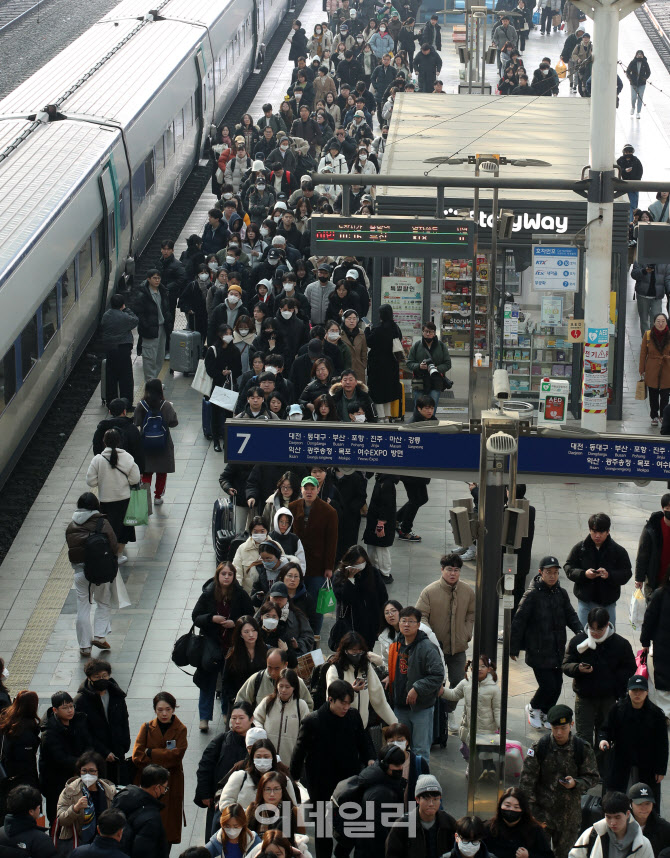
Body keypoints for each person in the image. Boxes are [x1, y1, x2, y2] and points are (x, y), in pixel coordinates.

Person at [290, 679, 374, 858]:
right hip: (321, 784)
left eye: (349, 703)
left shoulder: (353, 716)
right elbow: (299, 751)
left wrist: (370, 760)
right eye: (342, 703)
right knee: (323, 832)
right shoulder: (313, 721)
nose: (346, 707)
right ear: (330, 699)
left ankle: (341, 853)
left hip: (349, 782)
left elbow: (364, 741)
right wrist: (294, 777)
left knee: (352, 826)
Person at [510, 556, 582, 729]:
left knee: (557, 687)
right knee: (547, 685)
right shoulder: (532, 595)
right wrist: (513, 647)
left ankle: (545, 712)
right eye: (549, 572)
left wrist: (580, 631)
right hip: (538, 650)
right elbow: (518, 621)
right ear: (541, 572)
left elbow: (570, 615)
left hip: (557, 650)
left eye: (555, 573)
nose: (552, 576)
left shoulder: (561, 593)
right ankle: (534, 707)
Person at [519, 704, 599, 858]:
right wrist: (530, 814)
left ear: (571, 725)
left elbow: (593, 777)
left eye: (563, 728)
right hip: (542, 815)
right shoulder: (540, 748)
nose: (559, 732)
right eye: (555, 728)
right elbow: (526, 784)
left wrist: (576, 783)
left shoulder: (582, 748)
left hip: (569, 818)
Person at [562, 608, 635, 772]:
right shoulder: (578, 641)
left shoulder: (620, 644)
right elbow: (566, 665)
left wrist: (612, 679)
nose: (594, 633)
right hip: (584, 696)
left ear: (607, 625)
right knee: (583, 735)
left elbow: (630, 667)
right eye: (592, 629)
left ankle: (601, 769)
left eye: (599, 630)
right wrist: (577, 668)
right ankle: (585, 769)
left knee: (604, 736)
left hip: (608, 698)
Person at [416, 554, 475, 735]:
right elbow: (420, 615)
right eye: (449, 569)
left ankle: (449, 713)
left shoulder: (467, 591)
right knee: (436, 683)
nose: (453, 573)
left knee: (458, 681)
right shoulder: (429, 591)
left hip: (458, 648)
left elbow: (471, 614)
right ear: (442, 570)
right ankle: (436, 715)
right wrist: (429, 636)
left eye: (456, 570)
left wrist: (466, 633)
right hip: (435, 649)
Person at [192, 563, 253, 732]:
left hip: (232, 646)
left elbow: (250, 614)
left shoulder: (240, 594)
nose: (226, 577)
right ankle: (204, 717)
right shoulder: (209, 593)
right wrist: (212, 618)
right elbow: (196, 616)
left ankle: (227, 712)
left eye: (230, 574)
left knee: (228, 682)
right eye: (223, 574)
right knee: (207, 682)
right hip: (211, 645)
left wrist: (236, 623)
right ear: (218, 576)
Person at [387, 607, 445, 763]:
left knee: (420, 750)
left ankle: (420, 782)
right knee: (399, 748)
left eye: (411, 621)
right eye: (404, 621)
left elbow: (438, 675)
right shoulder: (396, 644)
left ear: (418, 625)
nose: (406, 624)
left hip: (421, 708)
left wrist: (417, 688)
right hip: (400, 706)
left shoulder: (427, 648)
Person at [599, 675, 668, 804]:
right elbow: (606, 729)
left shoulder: (656, 714)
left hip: (647, 762)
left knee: (645, 799)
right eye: (634, 690)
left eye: (641, 690)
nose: (637, 694)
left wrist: (660, 769)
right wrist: (603, 739)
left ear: (647, 692)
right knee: (616, 797)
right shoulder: (618, 709)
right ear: (628, 691)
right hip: (621, 759)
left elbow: (662, 744)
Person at [65, 493, 118, 657]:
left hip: (81, 573)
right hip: (100, 571)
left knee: (83, 607)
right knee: (103, 602)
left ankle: (85, 647)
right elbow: (114, 545)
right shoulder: (102, 522)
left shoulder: (71, 525)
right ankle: (100, 637)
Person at [131, 693, 187, 849]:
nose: (164, 713)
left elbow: (177, 756)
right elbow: (137, 756)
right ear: (155, 710)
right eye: (160, 709)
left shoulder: (180, 729)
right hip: (147, 782)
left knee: (167, 827)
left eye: (168, 709)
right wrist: (164, 755)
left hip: (171, 782)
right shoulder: (147, 727)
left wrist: (151, 752)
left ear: (173, 709)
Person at [193, 705, 256, 839]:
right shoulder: (221, 740)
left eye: (241, 718)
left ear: (251, 719)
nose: (237, 722)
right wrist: (205, 794)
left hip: (249, 802)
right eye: (233, 718)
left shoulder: (260, 744)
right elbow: (205, 766)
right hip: (220, 799)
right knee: (216, 839)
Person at [289, 477, 338, 637]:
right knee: (297, 602)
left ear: (318, 490)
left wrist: (329, 567)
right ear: (301, 490)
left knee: (317, 604)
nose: (309, 492)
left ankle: (314, 636)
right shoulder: (292, 507)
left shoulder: (329, 511)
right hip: (296, 566)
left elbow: (332, 541)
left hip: (318, 567)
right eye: (306, 488)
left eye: (312, 488)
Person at [564, 513, 632, 627]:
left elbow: (626, 573)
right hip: (585, 601)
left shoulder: (618, 551)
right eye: (594, 531)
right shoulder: (581, 548)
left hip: (608, 602)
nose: (597, 536)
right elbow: (568, 567)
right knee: (583, 636)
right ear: (590, 530)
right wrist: (584, 574)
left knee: (608, 636)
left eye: (601, 532)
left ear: (608, 531)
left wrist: (609, 575)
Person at [85, 429, 141, 568]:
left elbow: (91, 482)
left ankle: (109, 553)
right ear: (119, 441)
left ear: (104, 442)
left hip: (106, 501)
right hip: (124, 500)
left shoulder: (97, 459)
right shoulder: (127, 457)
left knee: (108, 528)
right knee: (123, 528)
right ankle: (119, 555)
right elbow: (135, 479)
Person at [39, 692, 94, 825]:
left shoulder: (79, 722)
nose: (70, 710)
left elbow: (89, 744)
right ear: (55, 710)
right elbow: (59, 758)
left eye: (71, 706)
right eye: (65, 708)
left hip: (78, 776)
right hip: (56, 782)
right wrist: (82, 764)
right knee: (58, 818)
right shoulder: (49, 733)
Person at [74, 660, 130, 786]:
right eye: (97, 677)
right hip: (96, 756)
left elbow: (124, 719)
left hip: (118, 750)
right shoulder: (81, 701)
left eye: (104, 676)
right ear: (89, 678)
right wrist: (104, 752)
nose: (102, 679)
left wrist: (125, 743)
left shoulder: (116, 694)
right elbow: (84, 732)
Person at [443, 655, 501, 779]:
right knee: (467, 750)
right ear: (470, 667)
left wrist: (500, 725)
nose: (479, 669)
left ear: (489, 669)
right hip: (469, 726)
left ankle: (488, 770)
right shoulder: (466, 683)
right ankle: (473, 766)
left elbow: (497, 709)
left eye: (483, 666)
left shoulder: (494, 689)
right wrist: (442, 691)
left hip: (487, 727)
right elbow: (454, 694)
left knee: (486, 752)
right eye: (476, 666)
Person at [326, 633, 395, 728]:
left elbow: (378, 698)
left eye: (360, 651)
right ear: (345, 650)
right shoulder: (335, 669)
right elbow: (331, 700)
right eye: (353, 651)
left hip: (362, 727)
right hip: (340, 727)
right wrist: (352, 691)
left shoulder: (366, 667)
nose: (357, 654)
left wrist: (394, 723)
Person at [55, 751, 116, 852]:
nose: (88, 774)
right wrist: (75, 809)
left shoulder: (108, 792)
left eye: (92, 771)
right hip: (78, 844)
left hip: (102, 843)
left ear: (98, 772)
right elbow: (61, 820)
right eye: (84, 771)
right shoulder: (70, 791)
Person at [386, 774, 457, 858]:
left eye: (435, 799)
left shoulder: (448, 822)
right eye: (426, 799)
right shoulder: (402, 826)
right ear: (417, 799)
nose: (431, 804)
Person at [331, 548, 388, 652]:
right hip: (350, 625)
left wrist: (381, 623)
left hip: (369, 624)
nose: (360, 565)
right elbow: (345, 599)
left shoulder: (373, 573)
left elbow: (383, 597)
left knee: (367, 653)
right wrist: (350, 579)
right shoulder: (339, 575)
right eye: (357, 563)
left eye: (362, 562)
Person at [569, 791, 654, 858]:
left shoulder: (643, 844)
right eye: (608, 817)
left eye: (617, 817)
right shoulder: (592, 835)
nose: (613, 823)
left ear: (627, 814)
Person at [252, 670, 310, 765]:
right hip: (267, 760)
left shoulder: (301, 706)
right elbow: (256, 718)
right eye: (281, 686)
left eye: (287, 687)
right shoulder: (268, 701)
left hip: (290, 761)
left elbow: (306, 731)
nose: (283, 690)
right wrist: (260, 731)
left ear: (294, 687)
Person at [113, 764, 170, 858]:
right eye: (164, 788)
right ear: (156, 788)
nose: (164, 792)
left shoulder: (121, 797)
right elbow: (144, 850)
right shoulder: (152, 817)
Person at [0, 691, 41, 822]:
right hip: (21, 780)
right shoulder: (25, 732)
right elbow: (25, 762)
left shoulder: (9, 721)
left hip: (8, 776)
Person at [483, 788, 553, 858]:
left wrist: (528, 856)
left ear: (523, 809)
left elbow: (548, 856)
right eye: (507, 805)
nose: (511, 809)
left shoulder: (534, 830)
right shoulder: (489, 828)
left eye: (516, 807)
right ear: (500, 806)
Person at [235, 649, 313, 711]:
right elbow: (240, 703)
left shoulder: (296, 682)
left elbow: (308, 706)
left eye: (277, 668)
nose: (272, 672)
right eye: (269, 667)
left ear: (285, 665)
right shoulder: (256, 679)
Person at [205, 324, 243, 452]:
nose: (229, 336)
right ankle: (216, 441)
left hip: (230, 387)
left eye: (230, 333)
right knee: (215, 415)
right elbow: (209, 369)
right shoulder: (213, 350)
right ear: (220, 335)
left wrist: (230, 372)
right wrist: (220, 373)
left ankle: (228, 441)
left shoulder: (235, 351)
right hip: (217, 387)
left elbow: (239, 369)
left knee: (228, 416)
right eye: (226, 333)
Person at [130, 270, 172, 382]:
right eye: (154, 278)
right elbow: (138, 312)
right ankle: (150, 383)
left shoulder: (163, 291)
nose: (157, 280)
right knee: (149, 358)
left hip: (162, 328)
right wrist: (146, 325)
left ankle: (154, 381)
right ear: (148, 279)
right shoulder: (143, 295)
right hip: (150, 330)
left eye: (159, 278)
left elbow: (166, 308)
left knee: (159, 357)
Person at [365, 304, 402, 421]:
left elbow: (369, 342)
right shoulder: (396, 328)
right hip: (391, 365)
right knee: (388, 391)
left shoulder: (378, 330)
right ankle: (387, 416)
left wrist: (367, 328)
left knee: (378, 392)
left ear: (381, 315)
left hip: (378, 366)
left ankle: (381, 417)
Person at [99, 295, 138, 407]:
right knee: (126, 377)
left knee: (111, 376)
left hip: (110, 349)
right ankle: (127, 402)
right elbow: (135, 320)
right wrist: (126, 309)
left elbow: (103, 326)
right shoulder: (124, 316)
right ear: (122, 304)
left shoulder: (106, 316)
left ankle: (111, 402)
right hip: (123, 349)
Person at [640, 572, 670, 719]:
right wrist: (645, 641)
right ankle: (665, 715)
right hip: (664, 645)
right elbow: (649, 618)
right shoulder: (661, 594)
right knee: (663, 679)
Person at [0, 785, 56, 858]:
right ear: (31, 811)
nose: (39, 811)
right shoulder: (41, 841)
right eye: (38, 808)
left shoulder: (1, 833)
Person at [405, 321, 451, 410]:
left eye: (430, 332)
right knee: (419, 410)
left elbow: (448, 364)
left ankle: (431, 424)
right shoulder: (417, 346)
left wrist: (437, 368)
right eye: (426, 331)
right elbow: (409, 363)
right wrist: (419, 366)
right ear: (422, 332)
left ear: (434, 333)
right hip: (419, 382)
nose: (428, 334)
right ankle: (419, 424)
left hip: (435, 382)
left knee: (431, 410)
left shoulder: (441, 346)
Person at [92, 400, 144, 473]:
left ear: (110, 412)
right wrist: (140, 471)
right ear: (124, 411)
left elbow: (96, 449)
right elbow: (138, 452)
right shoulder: (132, 428)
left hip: (106, 470)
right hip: (127, 470)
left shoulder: (102, 428)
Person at [363, 474, 397, 582]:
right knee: (375, 547)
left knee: (381, 548)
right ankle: (377, 570)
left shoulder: (386, 483)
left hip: (379, 522)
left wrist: (381, 523)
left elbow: (387, 504)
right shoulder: (383, 480)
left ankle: (384, 573)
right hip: (375, 521)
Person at [639, 313, 670, 427]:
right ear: (654, 322)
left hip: (667, 368)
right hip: (652, 367)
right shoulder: (648, 335)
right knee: (653, 394)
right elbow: (643, 353)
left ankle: (663, 415)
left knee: (665, 395)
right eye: (658, 321)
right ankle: (654, 416)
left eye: (663, 321)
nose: (660, 324)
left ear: (666, 323)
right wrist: (641, 369)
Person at [627, 783, 670, 856]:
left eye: (647, 803)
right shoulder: (622, 825)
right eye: (639, 804)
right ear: (630, 804)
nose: (644, 808)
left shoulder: (664, 828)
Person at [617, 145, 644, 220]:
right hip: (623, 186)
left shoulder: (636, 160)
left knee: (633, 206)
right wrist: (625, 171)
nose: (628, 153)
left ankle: (631, 222)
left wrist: (635, 181)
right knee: (623, 204)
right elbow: (617, 171)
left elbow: (640, 172)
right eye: (626, 152)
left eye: (629, 152)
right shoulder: (620, 161)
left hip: (634, 186)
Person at [626, 50, 651, 118]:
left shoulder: (645, 63)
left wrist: (645, 78)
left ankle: (638, 112)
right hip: (633, 83)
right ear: (636, 55)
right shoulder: (633, 62)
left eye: (641, 54)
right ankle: (633, 107)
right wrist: (630, 78)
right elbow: (627, 71)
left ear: (643, 55)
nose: (639, 56)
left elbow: (648, 72)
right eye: (638, 54)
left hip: (642, 84)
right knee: (633, 97)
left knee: (640, 97)